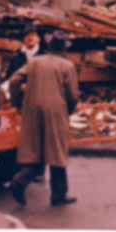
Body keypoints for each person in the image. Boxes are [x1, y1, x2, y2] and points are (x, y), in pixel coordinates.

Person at [8, 30, 80, 207]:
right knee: (56, 152)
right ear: (64, 48)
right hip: (55, 110)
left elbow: (13, 80)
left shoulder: (34, 62)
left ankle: (19, 181)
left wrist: (18, 103)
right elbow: (72, 95)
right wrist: (68, 111)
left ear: (48, 45)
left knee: (34, 149)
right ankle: (58, 195)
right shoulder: (67, 66)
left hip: (32, 109)